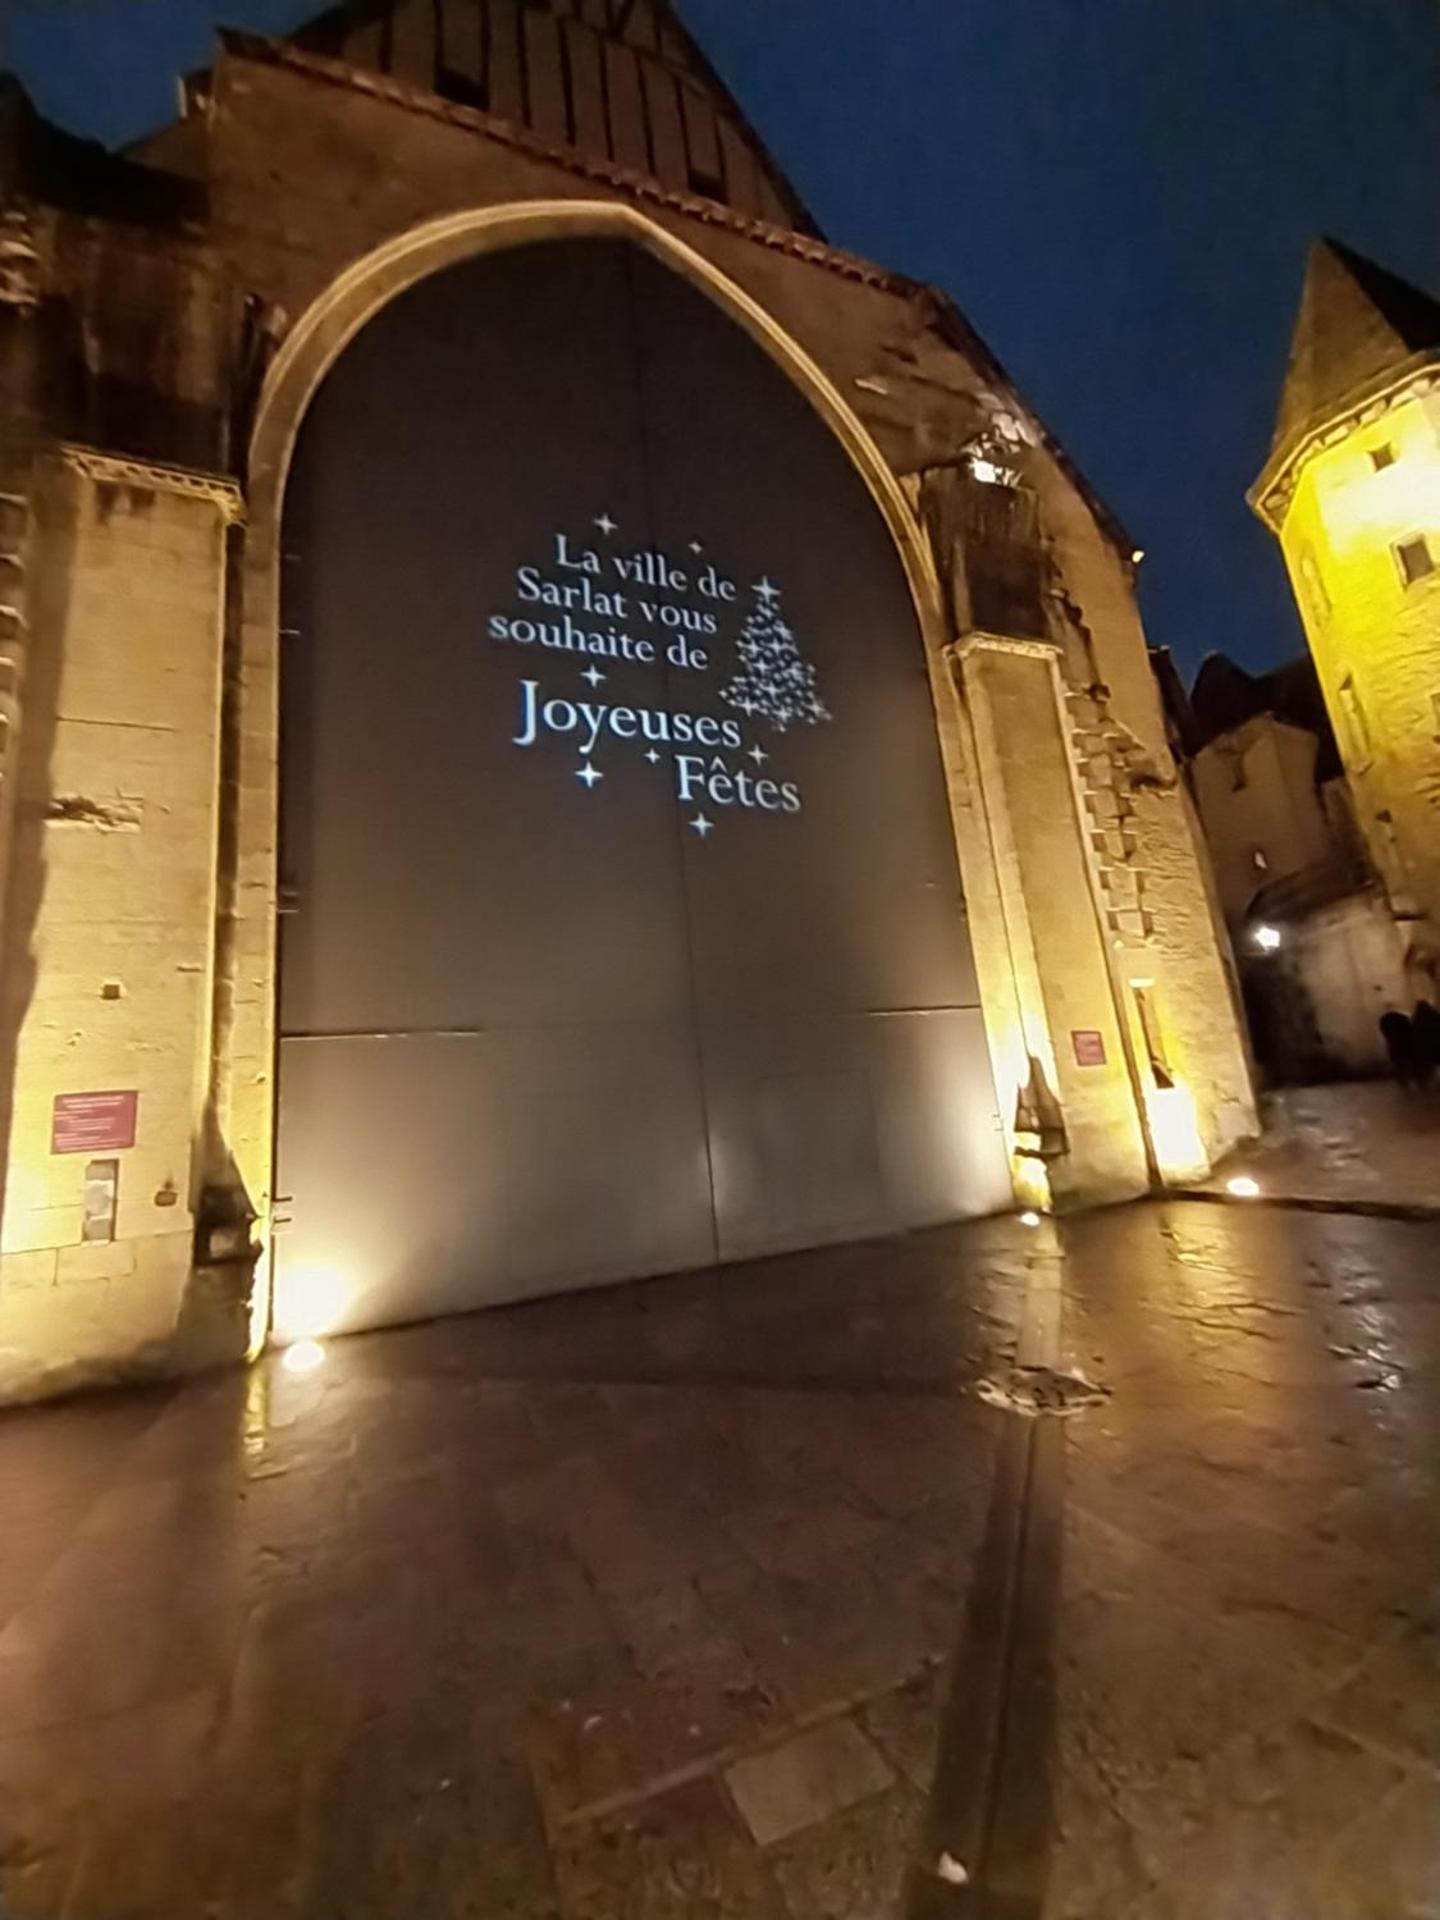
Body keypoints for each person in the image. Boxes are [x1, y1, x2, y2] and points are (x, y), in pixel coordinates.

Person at [1379, 1009, 1423, 1090]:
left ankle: (1404, 1083)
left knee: (1400, 1067)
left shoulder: (1390, 1028)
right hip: (1405, 1050)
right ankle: (1408, 1083)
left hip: (1398, 1051)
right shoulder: (1405, 1025)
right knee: (1405, 1066)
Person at [1412, 999, 1440, 1088]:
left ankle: (1433, 1081)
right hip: (1437, 1042)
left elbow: (1415, 1031)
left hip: (1425, 1044)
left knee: (1430, 1064)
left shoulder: (1417, 1017)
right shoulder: (1435, 1014)